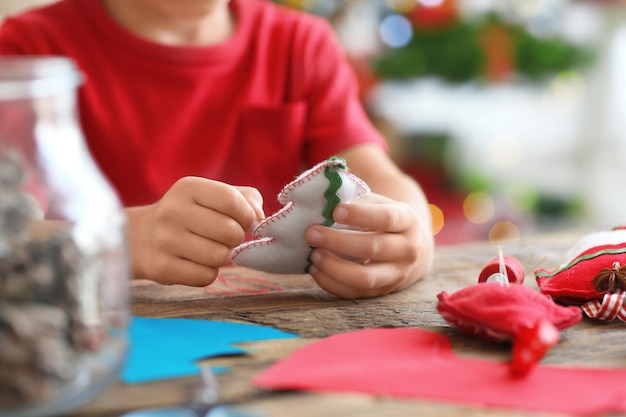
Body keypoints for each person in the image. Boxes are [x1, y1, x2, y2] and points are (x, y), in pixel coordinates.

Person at [0, 0, 434, 299]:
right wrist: (129, 240)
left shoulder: (300, 45)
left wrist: (409, 235)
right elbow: (10, 237)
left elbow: (377, 177)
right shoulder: (27, 54)